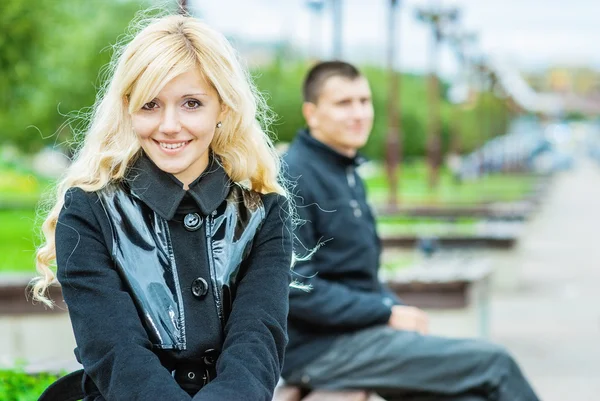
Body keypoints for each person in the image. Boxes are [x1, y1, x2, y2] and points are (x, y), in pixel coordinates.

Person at [32, 13, 293, 401]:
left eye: (191, 103)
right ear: (128, 108)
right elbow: (115, 352)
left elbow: (257, 343)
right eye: (150, 105)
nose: (170, 125)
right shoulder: (87, 210)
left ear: (223, 107)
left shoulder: (263, 212)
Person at [282, 61, 541, 401]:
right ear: (312, 113)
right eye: (343, 103)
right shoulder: (293, 176)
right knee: (496, 364)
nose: (359, 113)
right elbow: (296, 287)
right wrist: (387, 312)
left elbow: (356, 275)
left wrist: (393, 306)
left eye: (364, 101)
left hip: (359, 336)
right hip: (319, 350)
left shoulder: (344, 170)